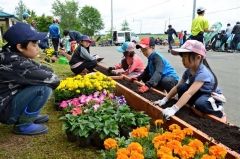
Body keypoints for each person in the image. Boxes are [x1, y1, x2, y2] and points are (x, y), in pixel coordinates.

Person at [0, 22, 60, 135]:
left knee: (37, 81)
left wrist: (46, 73)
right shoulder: (15, 62)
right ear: (20, 47)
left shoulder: (12, 55)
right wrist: (47, 76)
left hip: (8, 101)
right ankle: (23, 124)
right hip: (5, 111)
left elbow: (43, 68)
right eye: (34, 44)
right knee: (43, 88)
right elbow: (53, 79)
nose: (38, 47)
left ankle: (27, 115)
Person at [154, 40, 226, 121]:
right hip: (199, 93)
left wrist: (173, 109)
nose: (182, 60)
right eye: (182, 57)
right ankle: (193, 107)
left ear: (198, 58)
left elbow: (189, 93)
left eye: (185, 57)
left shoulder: (203, 73)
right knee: (182, 87)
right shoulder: (189, 70)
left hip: (209, 95)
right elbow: (177, 86)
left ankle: (219, 113)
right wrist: (164, 100)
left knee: (201, 104)